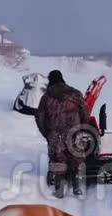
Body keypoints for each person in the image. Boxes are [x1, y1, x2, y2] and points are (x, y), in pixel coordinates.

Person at [35, 70, 92, 198]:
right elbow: (85, 113)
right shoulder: (76, 94)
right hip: (75, 132)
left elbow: (39, 117)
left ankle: (59, 190)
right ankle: (77, 187)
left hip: (55, 135)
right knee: (76, 158)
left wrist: (47, 133)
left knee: (58, 159)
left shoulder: (46, 98)